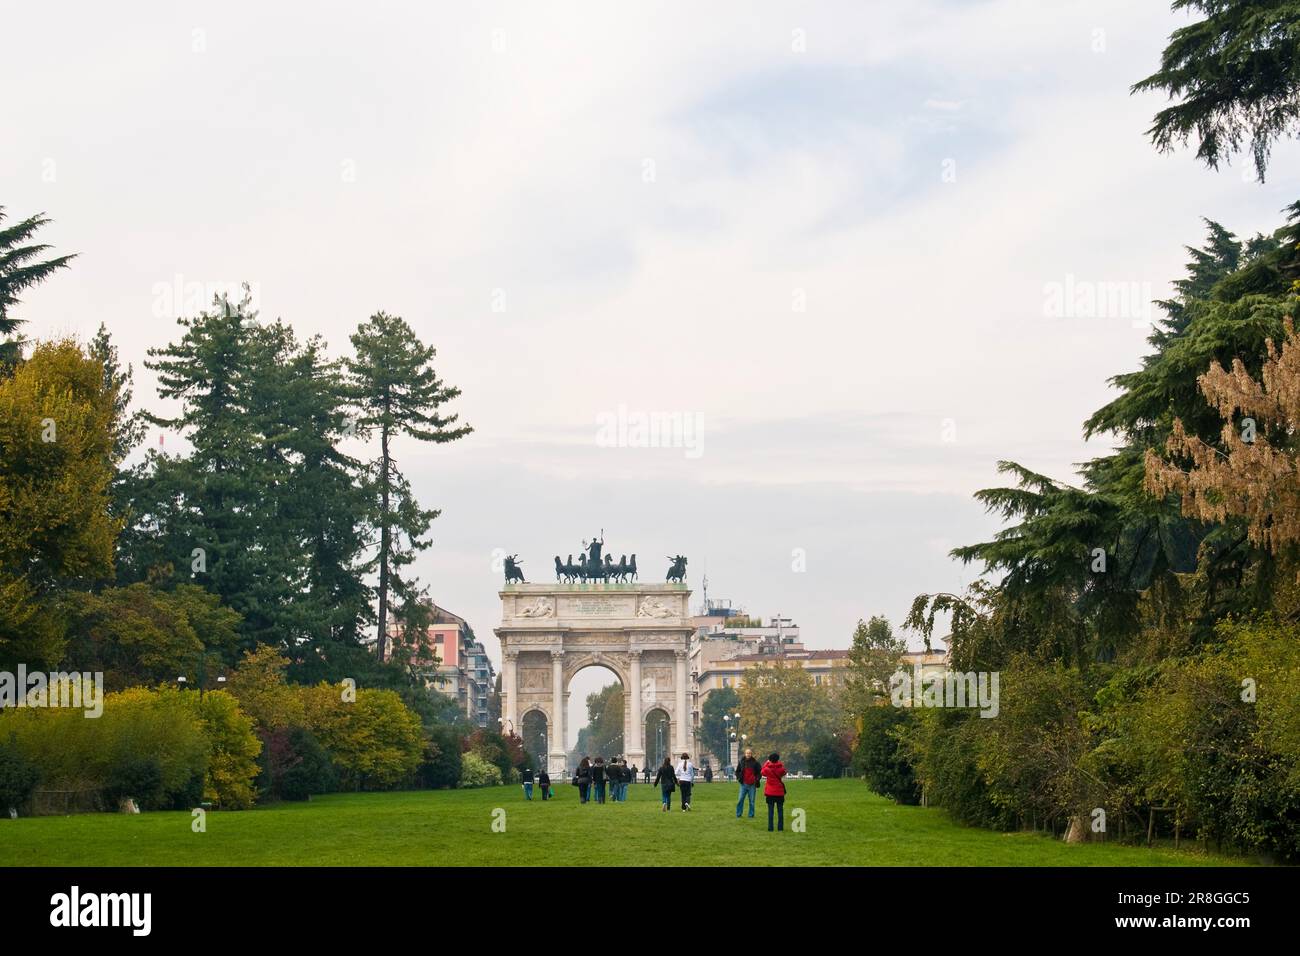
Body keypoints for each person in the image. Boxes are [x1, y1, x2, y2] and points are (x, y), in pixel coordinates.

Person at [761, 751, 787, 832]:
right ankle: (780, 828)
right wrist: (779, 763)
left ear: (770, 760)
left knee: (770, 811)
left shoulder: (767, 768)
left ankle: (770, 827)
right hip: (779, 792)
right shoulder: (781, 767)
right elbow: (784, 771)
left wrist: (766, 763)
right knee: (780, 811)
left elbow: (762, 771)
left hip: (770, 792)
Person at [735, 748, 762, 819]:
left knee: (752, 801)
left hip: (752, 785)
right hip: (743, 784)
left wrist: (757, 779)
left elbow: (760, 772)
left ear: (751, 754)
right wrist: (738, 778)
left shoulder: (755, 762)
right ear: (745, 754)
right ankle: (738, 814)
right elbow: (737, 771)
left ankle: (751, 815)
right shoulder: (741, 762)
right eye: (747, 753)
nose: (748, 754)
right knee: (740, 799)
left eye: (749, 753)